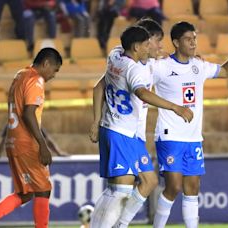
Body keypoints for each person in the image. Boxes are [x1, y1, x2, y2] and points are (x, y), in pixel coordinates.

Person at [88, 25, 193, 228]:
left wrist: (96, 120)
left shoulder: (115, 55)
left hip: (128, 134)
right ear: (138, 45)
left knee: (149, 181)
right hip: (121, 132)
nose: (157, 46)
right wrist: (175, 108)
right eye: (152, 41)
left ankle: (120, 224)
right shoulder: (135, 69)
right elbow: (142, 93)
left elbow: (99, 85)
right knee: (119, 191)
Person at [152, 19, 228, 228]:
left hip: (193, 138)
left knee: (192, 187)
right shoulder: (162, 67)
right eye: (188, 39)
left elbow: (227, 71)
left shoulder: (199, 66)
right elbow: (140, 80)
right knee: (173, 187)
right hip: (170, 135)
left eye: (195, 39)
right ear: (175, 42)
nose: (193, 43)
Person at [0, 47, 63, 228]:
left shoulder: (20, 75)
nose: (54, 75)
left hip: (13, 142)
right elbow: (28, 113)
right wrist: (42, 144)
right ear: (46, 63)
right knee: (43, 190)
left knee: (25, 193)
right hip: (27, 143)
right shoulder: (36, 80)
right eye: (55, 70)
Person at [0, 125, 67, 158]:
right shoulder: (11, 124)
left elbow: (47, 140)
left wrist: (58, 152)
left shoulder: (34, 123)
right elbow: (3, 141)